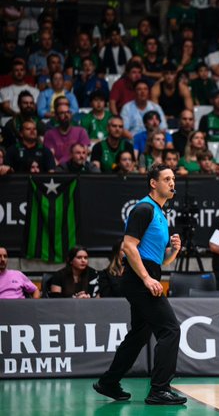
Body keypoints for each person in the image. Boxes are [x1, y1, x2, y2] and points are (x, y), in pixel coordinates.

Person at [94, 164, 186, 405]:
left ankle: (108, 382)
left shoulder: (160, 213)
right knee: (170, 329)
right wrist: (146, 279)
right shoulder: (144, 208)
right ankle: (159, 390)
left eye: (173, 178)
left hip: (147, 274)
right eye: (167, 179)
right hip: (138, 279)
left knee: (139, 334)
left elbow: (159, 260)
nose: (172, 182)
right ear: (153, 183)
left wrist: (173, 251)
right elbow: (129, 246)